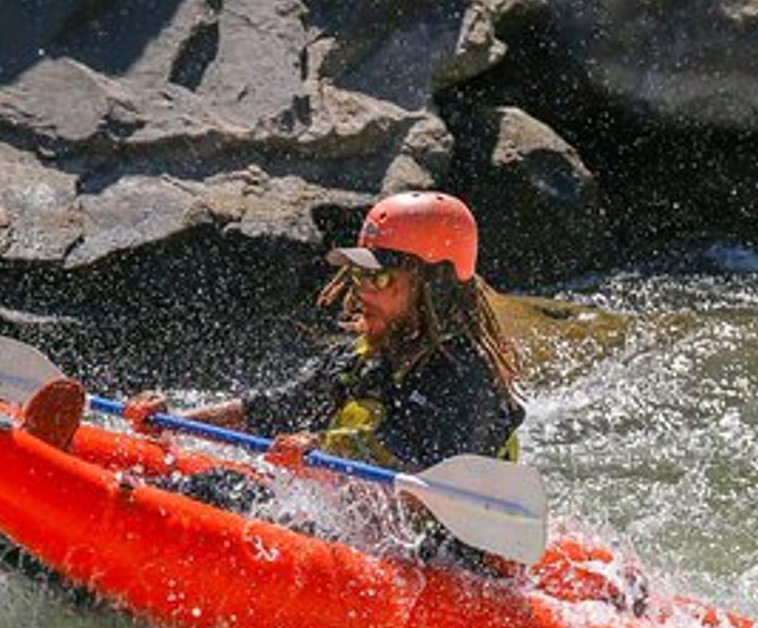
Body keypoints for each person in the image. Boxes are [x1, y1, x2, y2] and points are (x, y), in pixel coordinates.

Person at [125, 190, 525, 474]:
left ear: (435, 287)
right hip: (361, 531)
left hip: (444, 564)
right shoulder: (359, 360)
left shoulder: (466, 378)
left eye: (382, 278)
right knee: (222, 486)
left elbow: (428, 476)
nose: (364, 289)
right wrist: (174, 423)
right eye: (359, 273)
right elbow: (269, 411)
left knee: (219, 489)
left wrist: (322, 458)